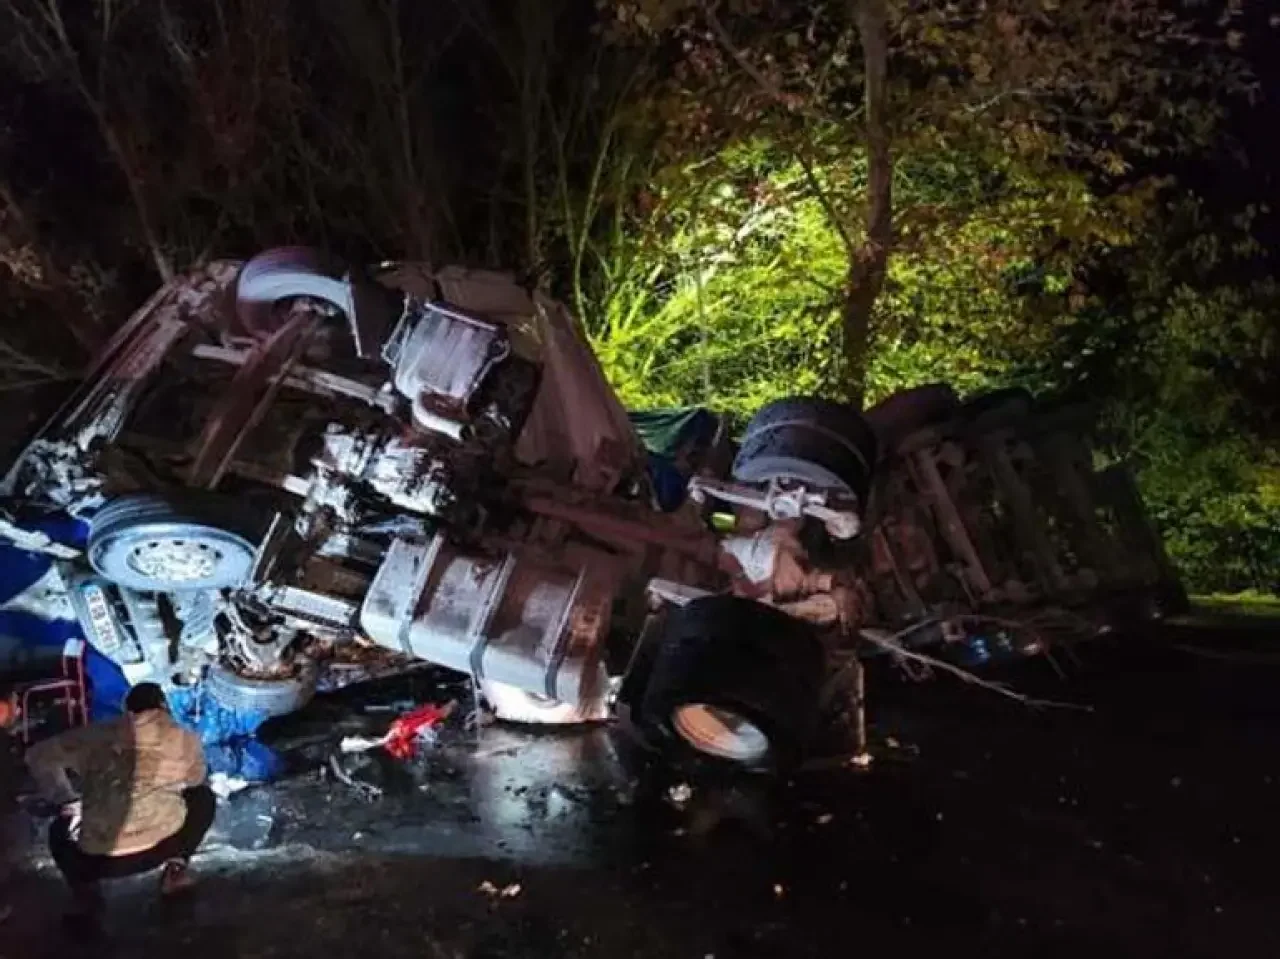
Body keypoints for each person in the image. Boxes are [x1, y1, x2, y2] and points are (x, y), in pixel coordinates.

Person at [25, 682, 213, 934]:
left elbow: (38, 756)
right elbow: (194, 780)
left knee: (58, 829)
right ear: (163, 706)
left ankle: (85, 896)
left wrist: (66, 799)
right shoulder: (184, 738)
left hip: (97, 860)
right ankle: (176, 871)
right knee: (202, 796)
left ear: (128, 710)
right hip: (165, 844)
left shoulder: (95, 735)